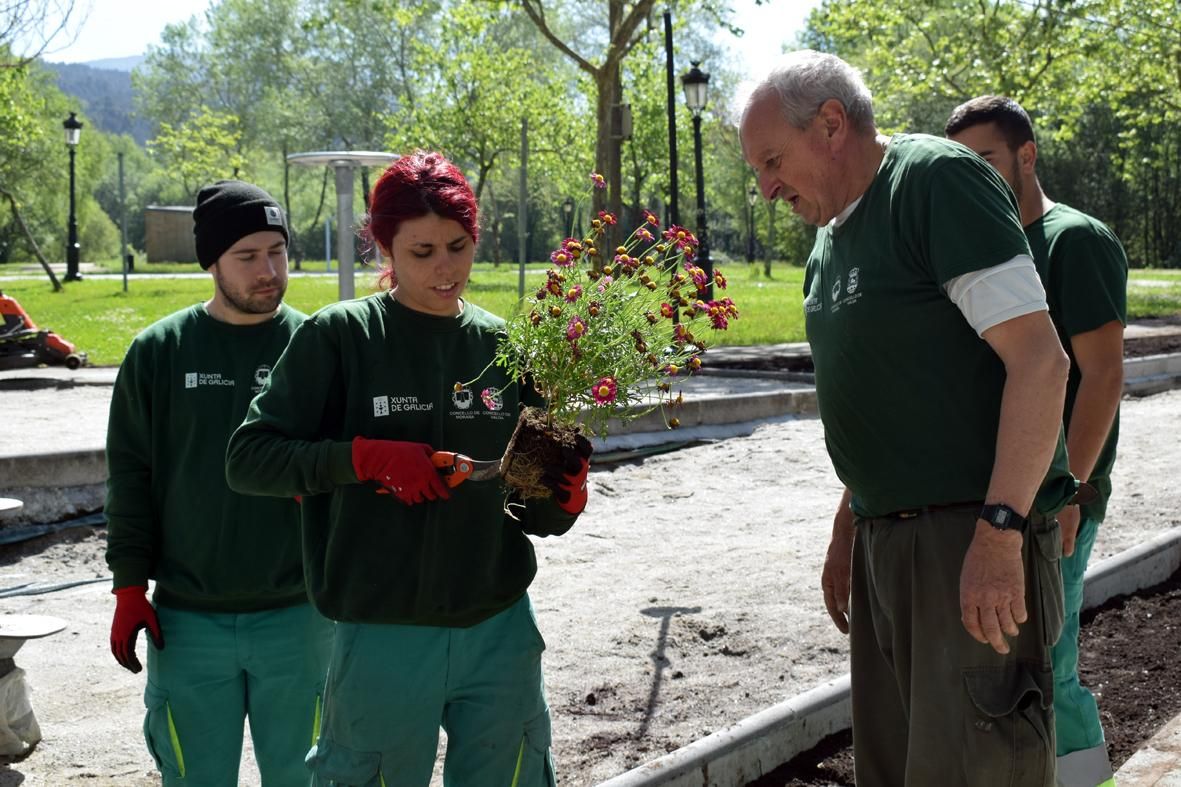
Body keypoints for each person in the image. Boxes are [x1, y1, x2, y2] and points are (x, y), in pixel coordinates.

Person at [739, 51, 1080, 786]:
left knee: (976, 768)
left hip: (968, 537)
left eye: (771, 160)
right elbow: (891, 393)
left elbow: (1040, 362)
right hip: (886, 545)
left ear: (831, 124)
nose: (764, 188)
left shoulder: (934, 183)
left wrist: (998, 531)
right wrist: (848, 523)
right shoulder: (828, 240)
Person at [224, 150, 590, 787]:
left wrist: (566, 496)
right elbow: (249, 459)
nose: (446, 268)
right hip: (382, 631)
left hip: (498, 624)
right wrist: (363, 459)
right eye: (421, 252)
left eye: (458, 245)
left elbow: (535, 512)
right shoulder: (340, 337)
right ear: (385, 247)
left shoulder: (508, 348)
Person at [104, 180, 334, 785]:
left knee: (305, 776)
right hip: (189, 618)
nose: (269, 271)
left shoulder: (317, 346)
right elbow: (129, 476)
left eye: (278, 252)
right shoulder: (158, 351)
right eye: (248, 256)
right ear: (211, 261)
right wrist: (129, 586)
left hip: (299, 616)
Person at [947, 95, 1127, 787]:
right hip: (998, 491)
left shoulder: (1071, 240)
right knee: (1006, 660)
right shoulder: (979, 243)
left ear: (1026, 155)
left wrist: (1070, 490)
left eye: (986, 159)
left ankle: (1086, 781)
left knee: (1049, 660)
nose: (974, 176)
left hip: (1057, 493)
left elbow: (1102, 376)